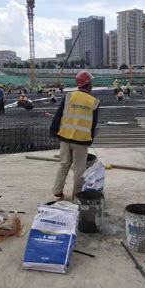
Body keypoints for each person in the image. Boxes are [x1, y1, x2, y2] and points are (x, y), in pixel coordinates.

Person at [50, 70, 100, 199]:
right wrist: (90, 140)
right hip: (81, 141)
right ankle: (77, 195)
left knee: (64, 164)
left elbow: (58, 114)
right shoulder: (93, 101)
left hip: (65, 137)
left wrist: (54, 131)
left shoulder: (69, 96)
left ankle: (57, 190)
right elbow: (93, 124)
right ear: (88, 84)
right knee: (79, 170)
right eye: (91, 83)